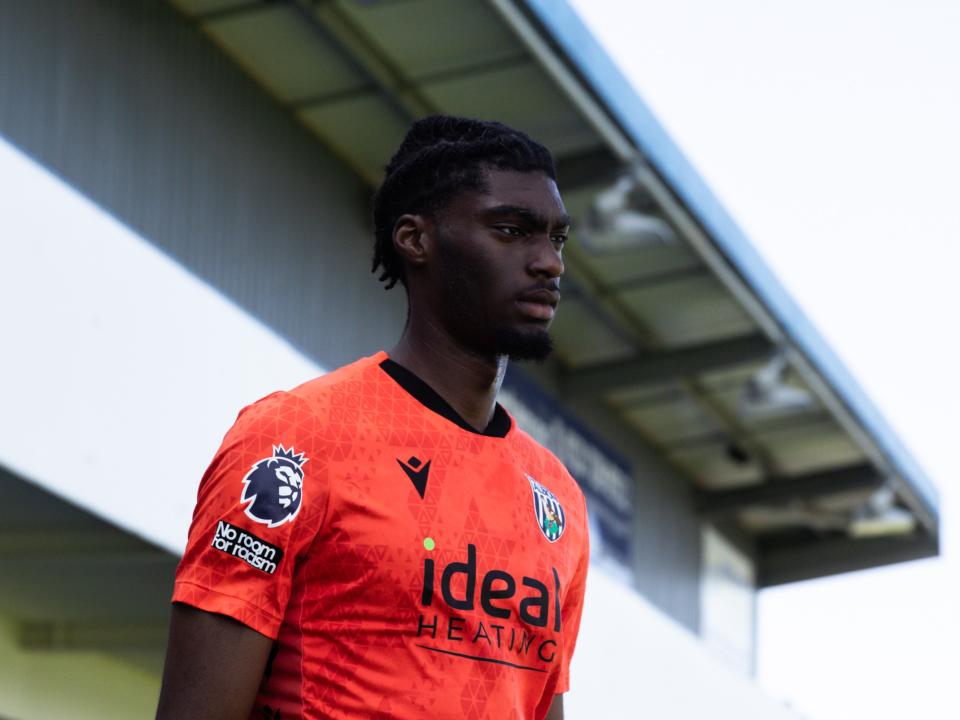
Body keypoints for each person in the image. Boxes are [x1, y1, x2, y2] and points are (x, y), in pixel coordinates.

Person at [156, 115, 589, 720]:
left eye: (557, 239)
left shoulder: (558, 499)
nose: (549, 262)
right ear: (416, 239)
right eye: (512, 230)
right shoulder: (295, 438)